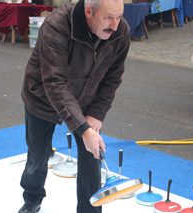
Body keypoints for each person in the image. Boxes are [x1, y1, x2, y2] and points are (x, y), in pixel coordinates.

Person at [19, 0, 130, 212]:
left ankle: (90, 209)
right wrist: (82, 128)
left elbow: (113, 77)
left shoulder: (120, 30)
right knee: (38, 155)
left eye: (119, 16)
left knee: (92, 156)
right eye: (108, 17)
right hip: (42, 98)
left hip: (87, 99)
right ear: (89, 11)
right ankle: (32, 200)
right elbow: (55, 83)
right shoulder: (56, 26)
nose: (115, 25)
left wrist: (96, 115)